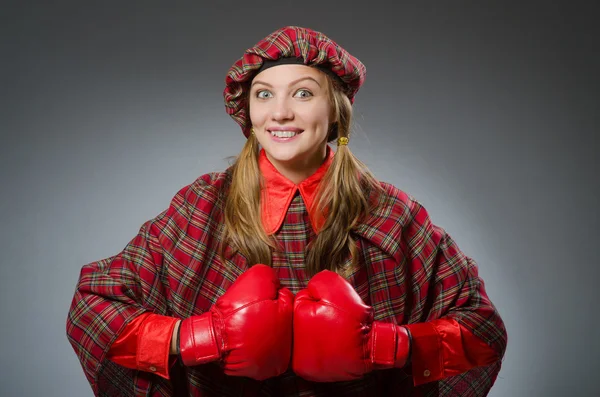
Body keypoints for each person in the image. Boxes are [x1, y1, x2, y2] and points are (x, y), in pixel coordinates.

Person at [66, 26, 507, 396]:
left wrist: (392, 346)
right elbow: (93, 308)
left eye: (302, 93)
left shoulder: (391, 212)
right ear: (249, 113)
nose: (279, 112)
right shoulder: (202, 204)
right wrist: (197, 338)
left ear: (335, 110)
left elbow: (483, 332)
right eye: (264, 95)